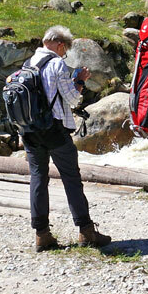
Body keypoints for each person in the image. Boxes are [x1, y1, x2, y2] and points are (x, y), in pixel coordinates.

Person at [24, 26, 110, 252]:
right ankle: (86, 231)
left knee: (38, 179)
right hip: (54, 129)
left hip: (30, 131)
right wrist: (80, 80)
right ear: (59, 44)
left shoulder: (28, 63)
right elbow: (72, 98)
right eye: (65, 50)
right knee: (71, 178)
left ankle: (41, 235)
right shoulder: (56, 64)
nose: (64, 54)